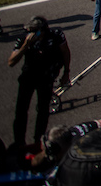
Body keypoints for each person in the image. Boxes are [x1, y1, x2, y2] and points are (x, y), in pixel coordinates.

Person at [8, 16, 71, 150]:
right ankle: (19, 142)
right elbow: (11, 62)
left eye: (34, 31)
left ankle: (38, 139)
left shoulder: (56, 35)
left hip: (46, 77)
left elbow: (65, 52)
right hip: (28, 77)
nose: (30, 34)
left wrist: (66, 72)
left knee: (43, 110)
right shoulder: (24, 39)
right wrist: (26, 46)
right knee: (21, 111)